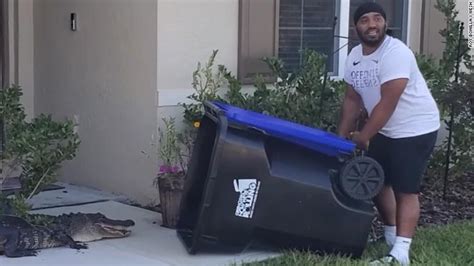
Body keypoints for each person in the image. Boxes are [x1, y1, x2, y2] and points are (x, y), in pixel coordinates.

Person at [338, 2, 440, 265]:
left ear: (385, 23)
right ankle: (391, 235)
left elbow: (387, 102)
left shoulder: (396, 53)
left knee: (406, 189)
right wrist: (340, 139)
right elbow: (352, 100)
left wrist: (362, 136)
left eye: (377, 19)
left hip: (415, 127)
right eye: (364, 20)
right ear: (355, 26)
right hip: (385, 128)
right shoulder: (354, 57)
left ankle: (401, 253)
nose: (372, 25)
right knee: (377, 181)